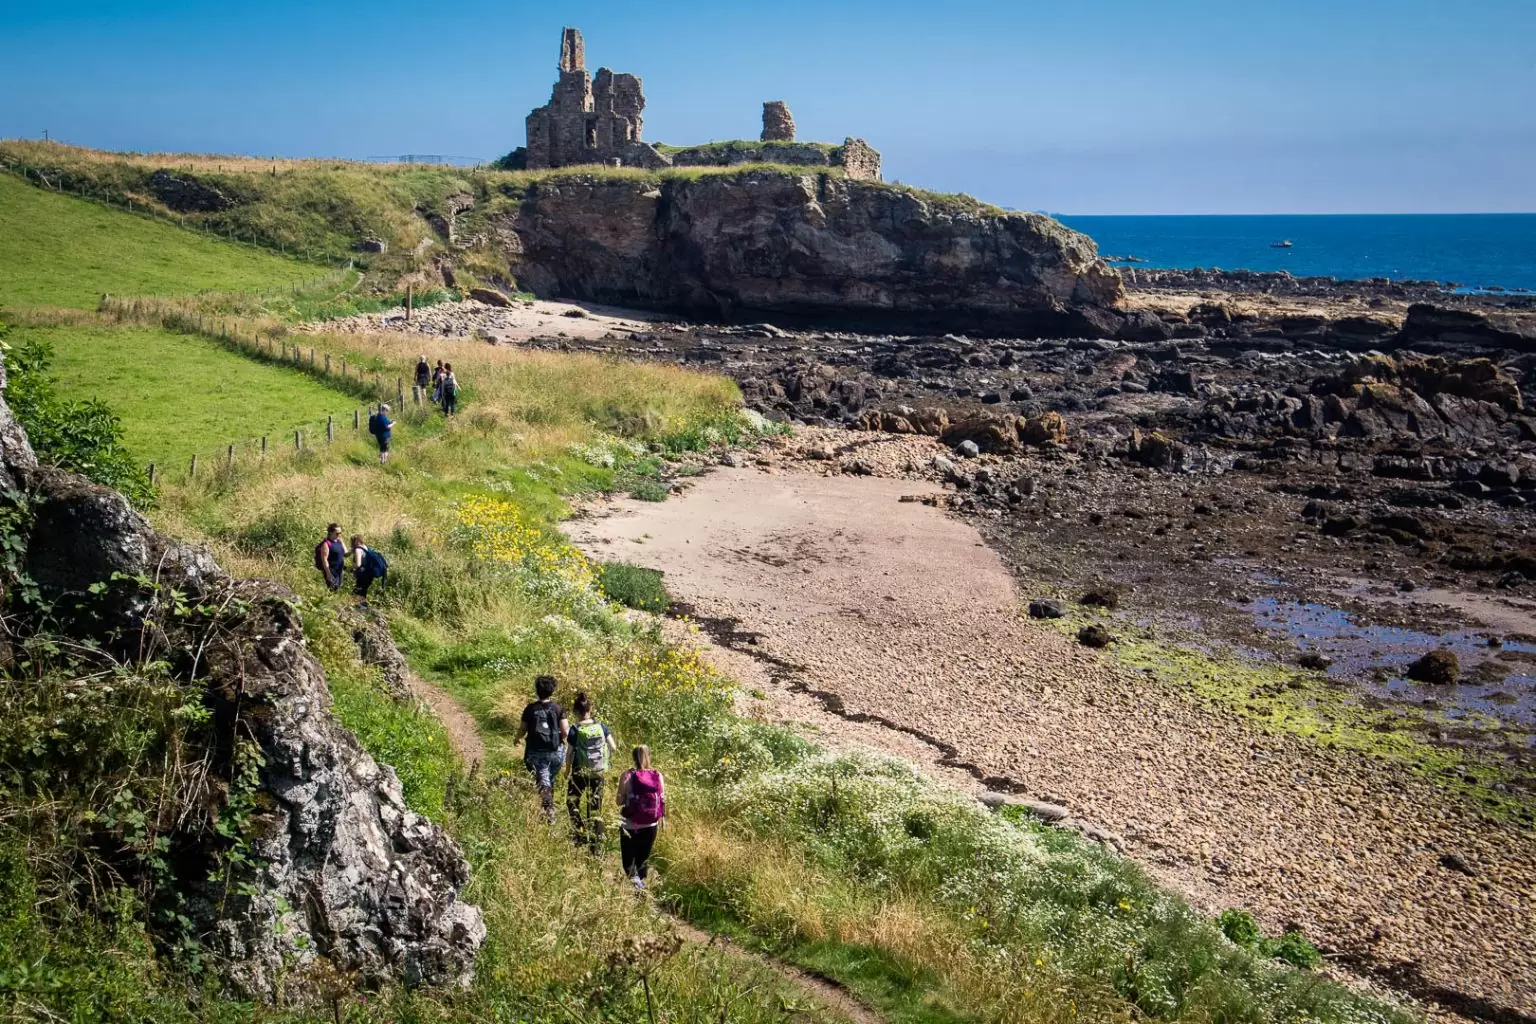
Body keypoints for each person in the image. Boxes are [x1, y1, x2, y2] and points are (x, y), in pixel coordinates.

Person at [564, 691, 617, 854]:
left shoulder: (575, 729)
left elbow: (569, 753)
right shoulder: (601, 726)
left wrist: (567, 770)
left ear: (575, 712)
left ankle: (579, 833)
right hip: (598, 773)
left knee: (572, 802)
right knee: (595, 808)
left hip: (580, 773)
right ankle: (596, 844)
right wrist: (604, 761)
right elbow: (613, 747)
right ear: (590, 709)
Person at [513, 675, 569, 824]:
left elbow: (523, 729)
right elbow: (565, 732)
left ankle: (549, 814)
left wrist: (517, 739)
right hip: (556, 753)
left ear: (537, 691)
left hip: (536, 753)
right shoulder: (558, 709)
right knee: (548, 780)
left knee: (544, 783)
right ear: (552, 691)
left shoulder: (530, 709)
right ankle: (548, 808)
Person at [616, 745, 666, 890]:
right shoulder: (658, 775)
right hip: (651, 825)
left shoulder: (627, 775)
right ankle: (642, 885)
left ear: (633, 757)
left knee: (628, 862)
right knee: (642, 860)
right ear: (649, 757)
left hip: (630, 825)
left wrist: (627, 797)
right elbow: (662, 798)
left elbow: (618, 801)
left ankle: (638, 887)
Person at [350, 534, 388, 605]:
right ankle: (362, 606)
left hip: (363, 574)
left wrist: (350, 568)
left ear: (356, 541)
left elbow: (358, 564)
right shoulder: (366, 548)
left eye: (352, 541)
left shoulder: (358, 550)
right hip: (369, 574)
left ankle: (360, 607)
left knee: (357, 591)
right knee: (363, 591)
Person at [313, 522, 347, 592]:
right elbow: (324, 559)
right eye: (337, 533)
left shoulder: (340, 541)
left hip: (339, 571)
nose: (339, 535)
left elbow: (346, 554)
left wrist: (357, 548)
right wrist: (328, 573)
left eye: (340, 533)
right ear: (331, 533)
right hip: (331, 571)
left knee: (337, 589)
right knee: (333, 590)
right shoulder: (326, 544)